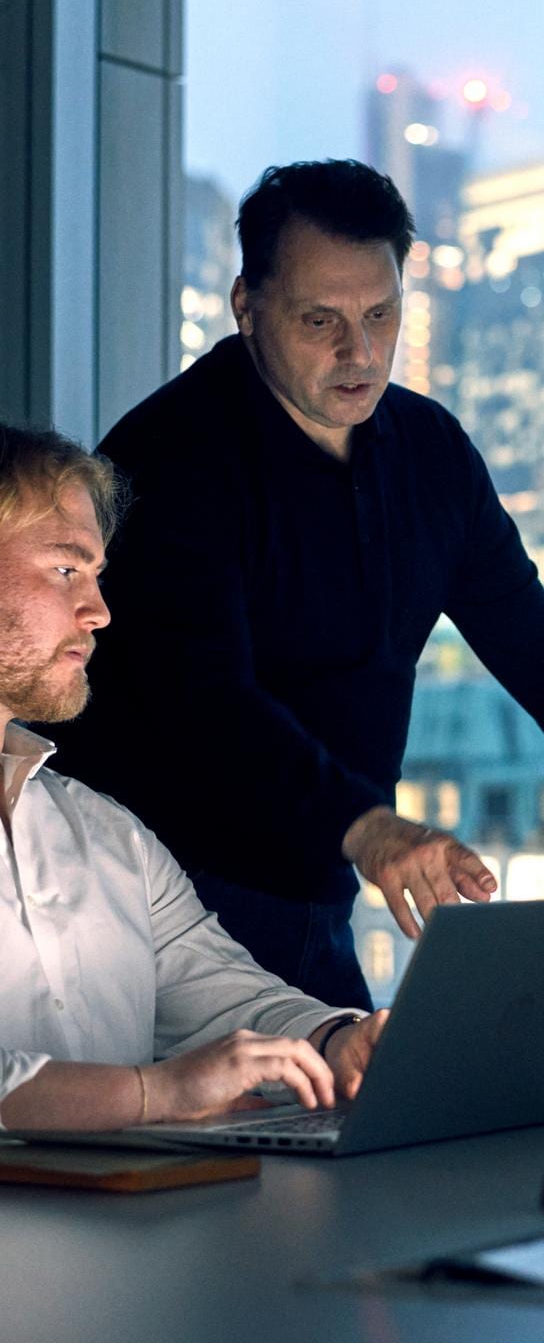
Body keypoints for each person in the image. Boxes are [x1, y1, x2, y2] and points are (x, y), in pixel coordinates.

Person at [51, 159, 544, 1009]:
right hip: (164, 898)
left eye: (381, 314)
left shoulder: (430, 449)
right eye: (319, 320)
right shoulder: (171, 458)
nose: (360, 352)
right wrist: (371, 828)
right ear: (246, 307)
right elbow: (206, 702)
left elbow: (541, 650)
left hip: (327, 882)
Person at [0, 425, 386, 1131]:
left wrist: (338, 1041)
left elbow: (227, 997)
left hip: (129, 1231)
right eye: (65, 570)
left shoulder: (108, 836)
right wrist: (155, 1095)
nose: (100, 612)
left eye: (98, 575)